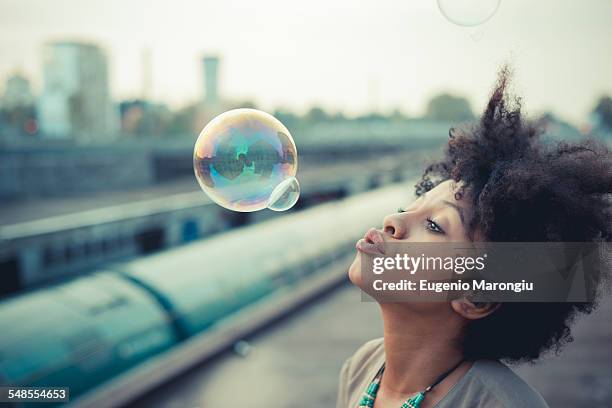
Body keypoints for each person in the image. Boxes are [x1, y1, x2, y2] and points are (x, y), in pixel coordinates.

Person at [337, 66, 612, 408]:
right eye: (411, 206)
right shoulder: (361, 368)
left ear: (476, 297)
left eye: (435, 226)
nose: (394, 220)